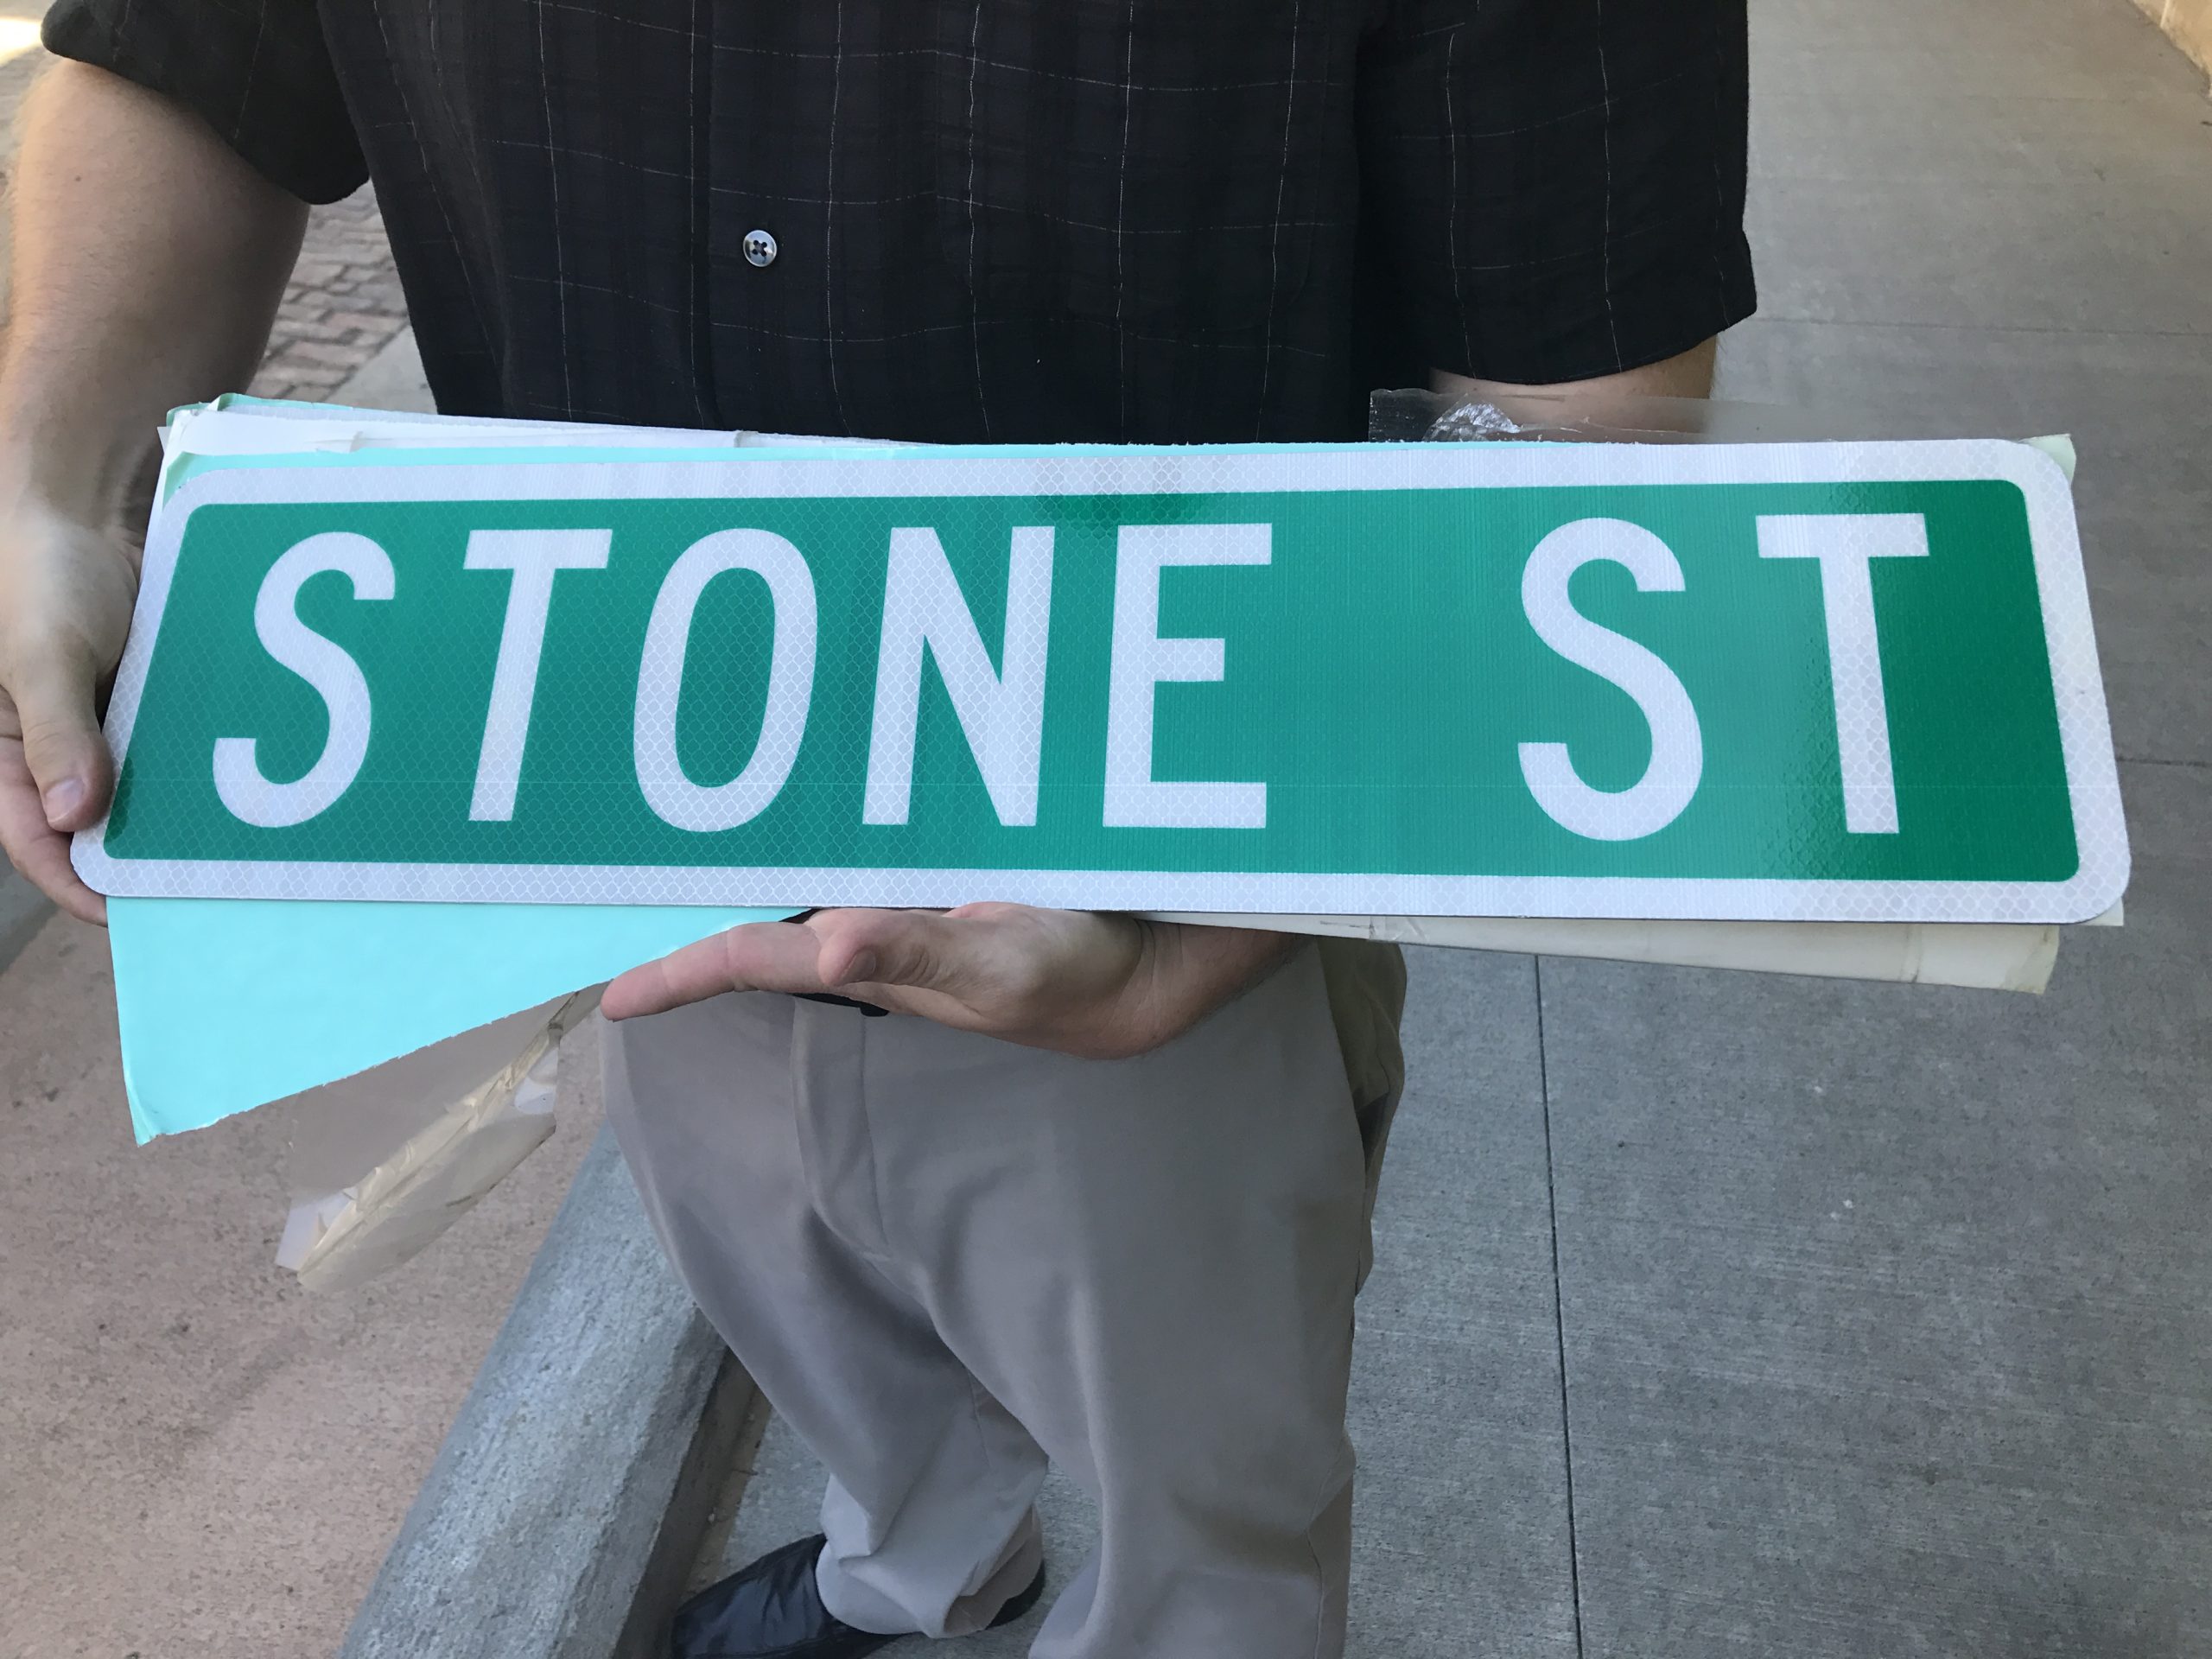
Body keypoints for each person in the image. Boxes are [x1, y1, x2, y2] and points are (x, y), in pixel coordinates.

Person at [0, 4, 1750, 1655]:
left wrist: (1243, 906)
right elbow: (181, 55)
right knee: (789, 1295)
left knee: (1199, 1475)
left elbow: (1574, 399)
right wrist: (45, 482)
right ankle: (925, 1568)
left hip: (1158, 883)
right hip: (622, 839)